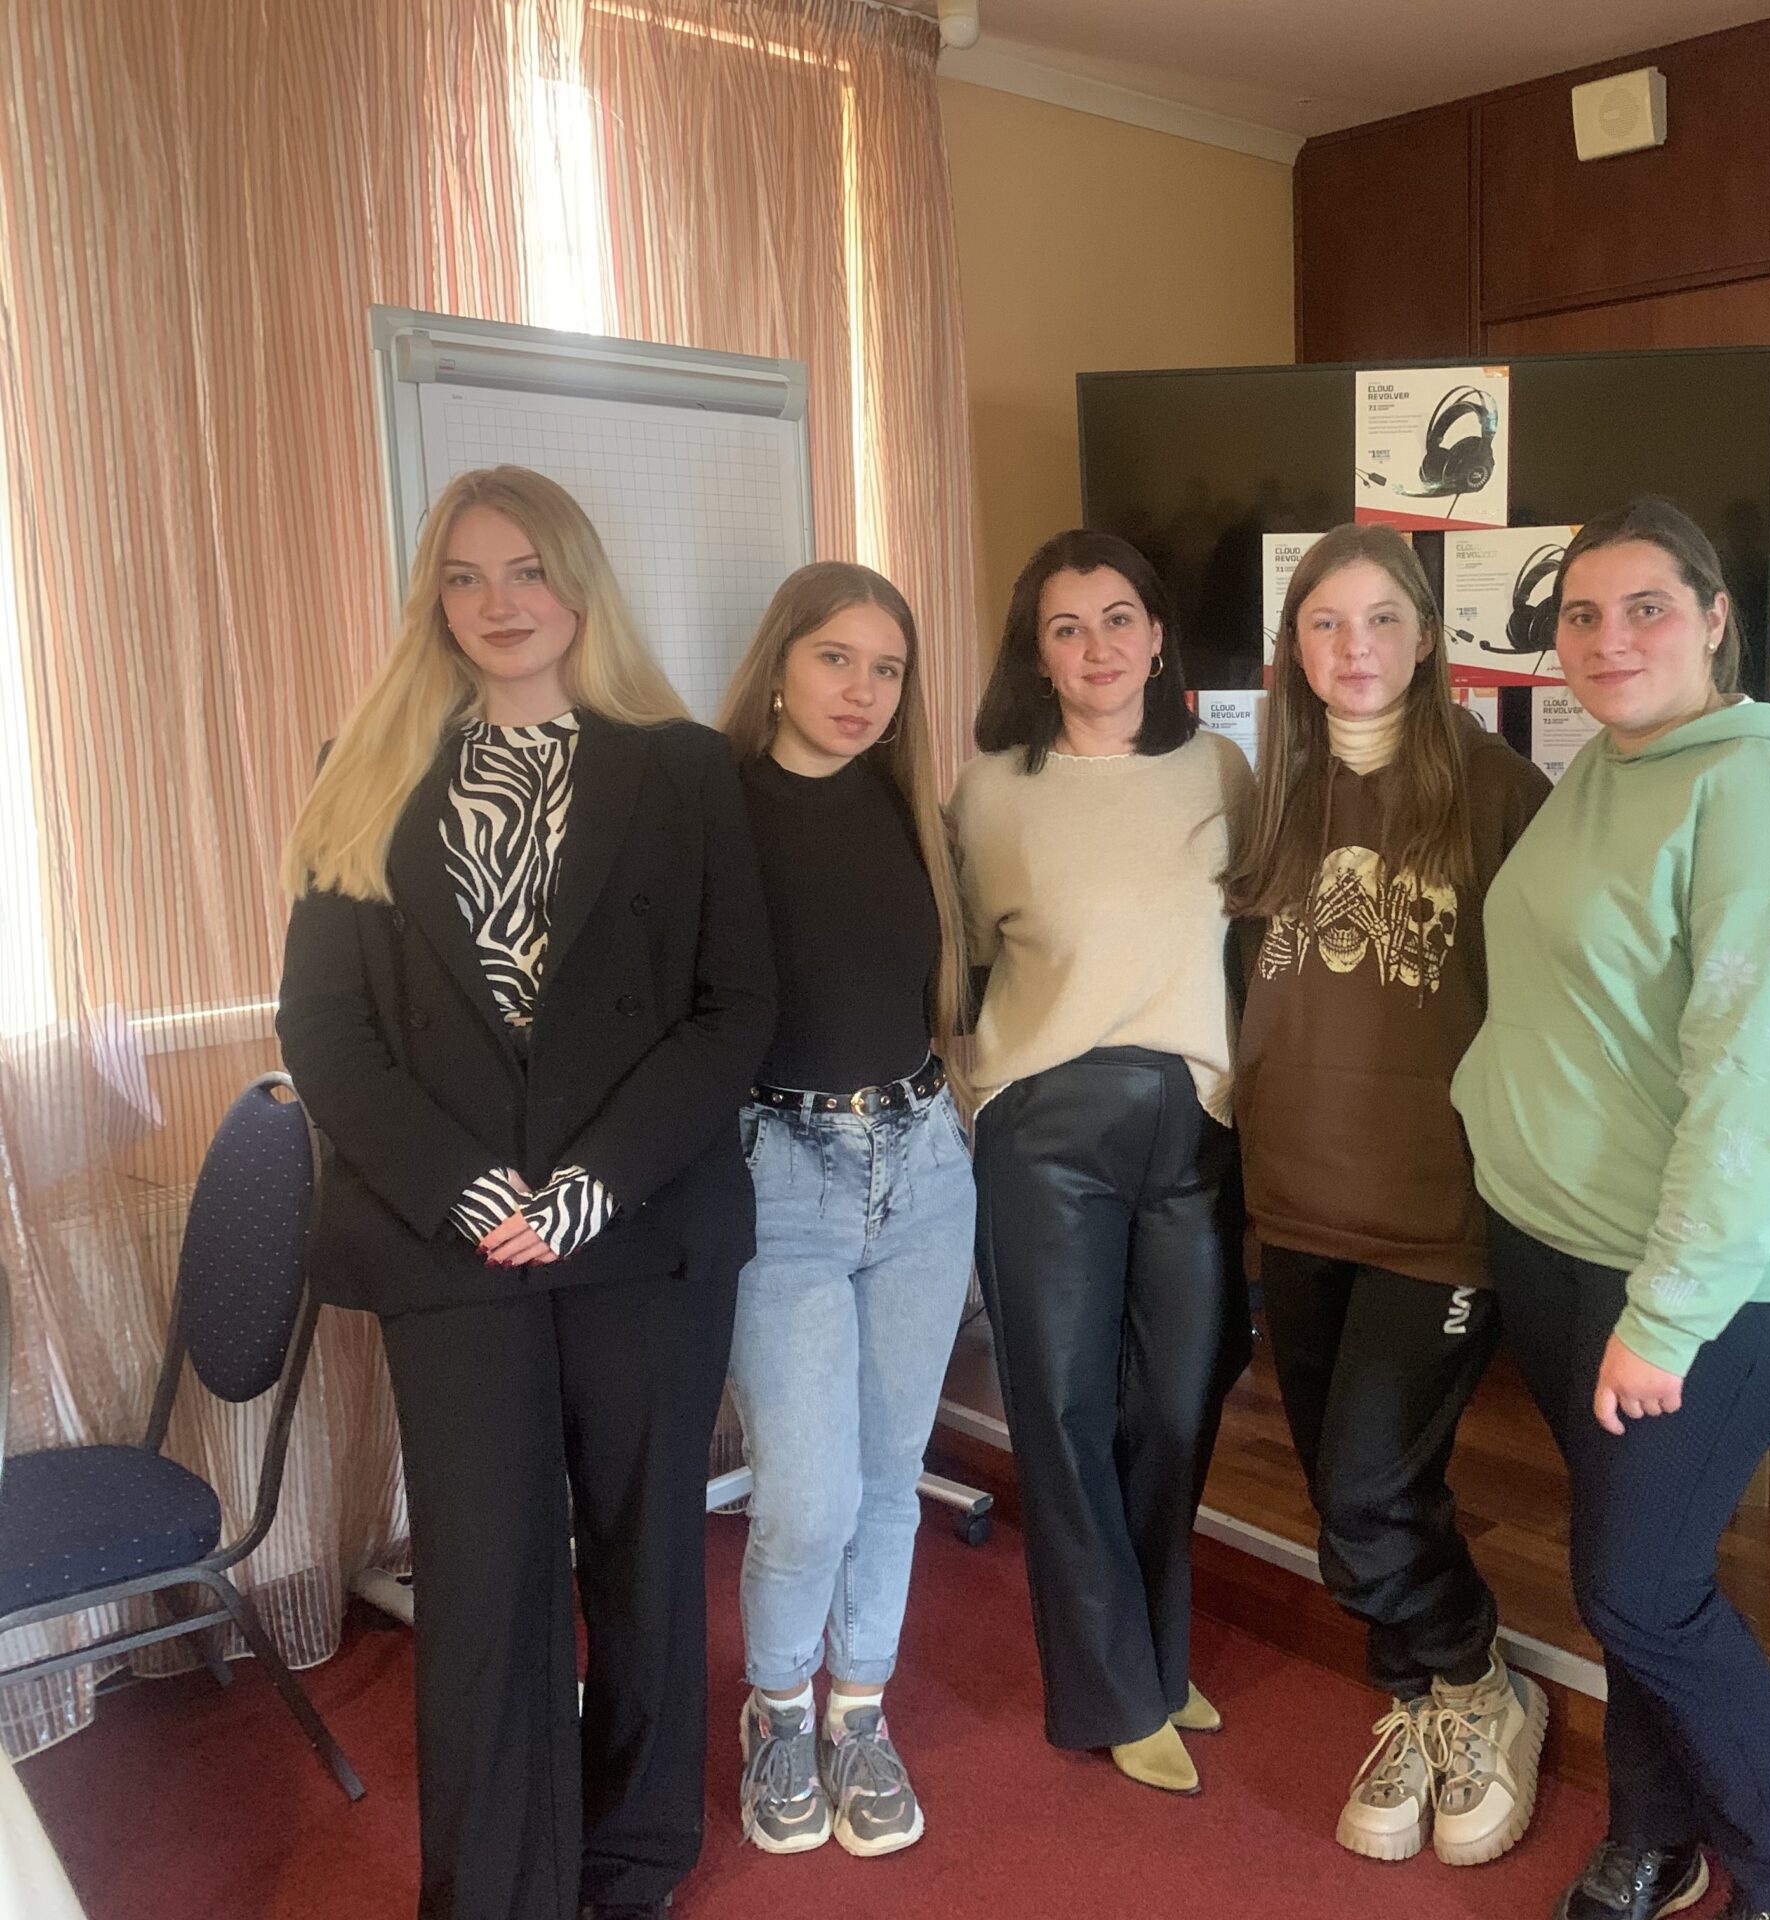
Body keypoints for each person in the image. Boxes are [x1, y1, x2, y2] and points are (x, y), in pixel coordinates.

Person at [275, 466, 774, 1920]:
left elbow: (733, 1009)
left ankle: (633, 1862)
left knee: (645, 1562)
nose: (500, 603)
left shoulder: (684, 770)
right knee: (485, 1582)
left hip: (640, 1228)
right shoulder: (363, 767)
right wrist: (465, 1187)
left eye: (528, 570)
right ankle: (495, 1891)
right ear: (434, 600)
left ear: (579, 583)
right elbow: (325, 1028)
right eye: (466, 576)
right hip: (453, 1244)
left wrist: (591, 1185)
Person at [1453, 498, 1770, 1920]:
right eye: (1580, 615)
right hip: (1557, 1240)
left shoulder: (1764, 797)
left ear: (1713, 619)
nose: (1608, 638)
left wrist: (1668, 1313)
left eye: (1645, 607)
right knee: (1631, 1561)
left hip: (1696, 1282)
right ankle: (1656, 1829)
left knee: (1639, 1589)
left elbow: (1765, 1085)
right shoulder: (1607, 762)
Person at [1224, 525, 1552, 1866]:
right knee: (1346, 1489)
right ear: (1293, 650)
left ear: (1426, 639)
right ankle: (1418, 1704)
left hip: (1440, 1218)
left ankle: (1479, 1682)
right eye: (1324, 623)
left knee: (1366, 1491)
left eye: (1379, 621)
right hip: (1295, 1202)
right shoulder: (1272, 794)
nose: (1353, 648)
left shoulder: (1503, 793)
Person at [951, 531, 1255, 1795]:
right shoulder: (988, 791)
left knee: (1177, 1406)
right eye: (1066, 627)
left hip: (1192, 1123)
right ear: (1036, 653)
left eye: (1118, 618)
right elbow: (970, 960)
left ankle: (1155, 1657)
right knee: (1064, 1415)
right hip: (1047, 1134)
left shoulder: (1221, 770)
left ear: (1158, 636)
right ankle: (1107, 1690)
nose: (1096, 648)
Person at [712, 564, 976, 1859]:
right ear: (778, 663)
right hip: (781, 1179)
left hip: (922, 1165)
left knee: (887, 1476)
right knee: (806, 1497)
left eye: (887, 668)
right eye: (835, 659)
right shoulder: (711, 809)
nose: (862, 690)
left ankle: (857, 1711)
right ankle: (776, 1711)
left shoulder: (904, 807)